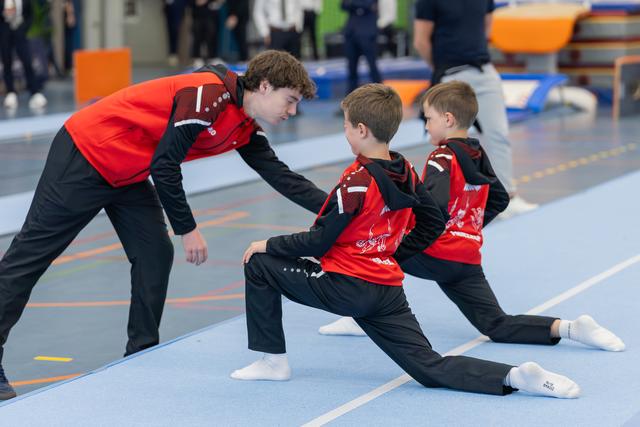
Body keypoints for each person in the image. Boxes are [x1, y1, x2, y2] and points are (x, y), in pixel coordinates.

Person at [0, 50, 325, 400]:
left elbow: (284, 178)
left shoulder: (244, 126)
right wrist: (187, 228)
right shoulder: (206, 94)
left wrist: (343, 213)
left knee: (154, 252)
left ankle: (140, 351)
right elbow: (165, 164)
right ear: (264, 86)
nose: (292, 112)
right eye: (289, 101)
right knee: (29, 257)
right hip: (87, 153)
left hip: (128, 172)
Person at [231, 83, 581, 399]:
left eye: (347, 127)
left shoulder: (356, 181)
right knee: (429, 366)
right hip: (386, 292)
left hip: (348, 286)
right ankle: (515, 377)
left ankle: (272, 361)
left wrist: (268, 244)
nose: (346, 133)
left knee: (258, 264)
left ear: (362, 130)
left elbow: (319, 241)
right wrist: (393, 252)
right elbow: (434, 221)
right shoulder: (406, 173)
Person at [318, 82, 626, 359]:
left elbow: (433, 208)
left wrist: (400, 223)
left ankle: (357, 313)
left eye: (429, 118)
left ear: (448, 120)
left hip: (436, 251)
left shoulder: (442, 157)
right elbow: (501, 198)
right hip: (466, 255)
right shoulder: (478, 154)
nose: (427, 126)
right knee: (496, 324)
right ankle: (570, 328)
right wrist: (469, 227)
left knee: (374, 253)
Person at [412, 0, 537, 218]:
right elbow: (421, 40)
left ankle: (508, 197)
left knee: (498, 134)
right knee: (447, 140)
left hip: (483, 71)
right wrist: (441, 66)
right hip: (450, 74)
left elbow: (486, 25)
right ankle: (449, 202)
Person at [0, 0, 47, 110]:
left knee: (27, 61)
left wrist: (23, 27)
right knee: (7, 62)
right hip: (5, 33)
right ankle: (10, 92)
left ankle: (35, 92)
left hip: (20, 33)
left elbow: (29, 14)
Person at [342, 0, 381, 95]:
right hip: (351, 33)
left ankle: (382, 97)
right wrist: (360, 5)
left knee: (372, 67)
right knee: (351, 69)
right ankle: (349, 101)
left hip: (367, 32)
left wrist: (353, 4)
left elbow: (370, 4)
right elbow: (343, 5)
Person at [189, 0, 223, 68]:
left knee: (212, 36)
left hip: (211, 14)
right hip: (197, 14)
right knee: (197, 36)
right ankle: (197, 58)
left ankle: (213, 57)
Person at [164, 0, 187, 67]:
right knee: (172, 31)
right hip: (169, 8)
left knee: (179, 31)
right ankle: (173, 54)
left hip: (181, 7)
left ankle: (184, 57)